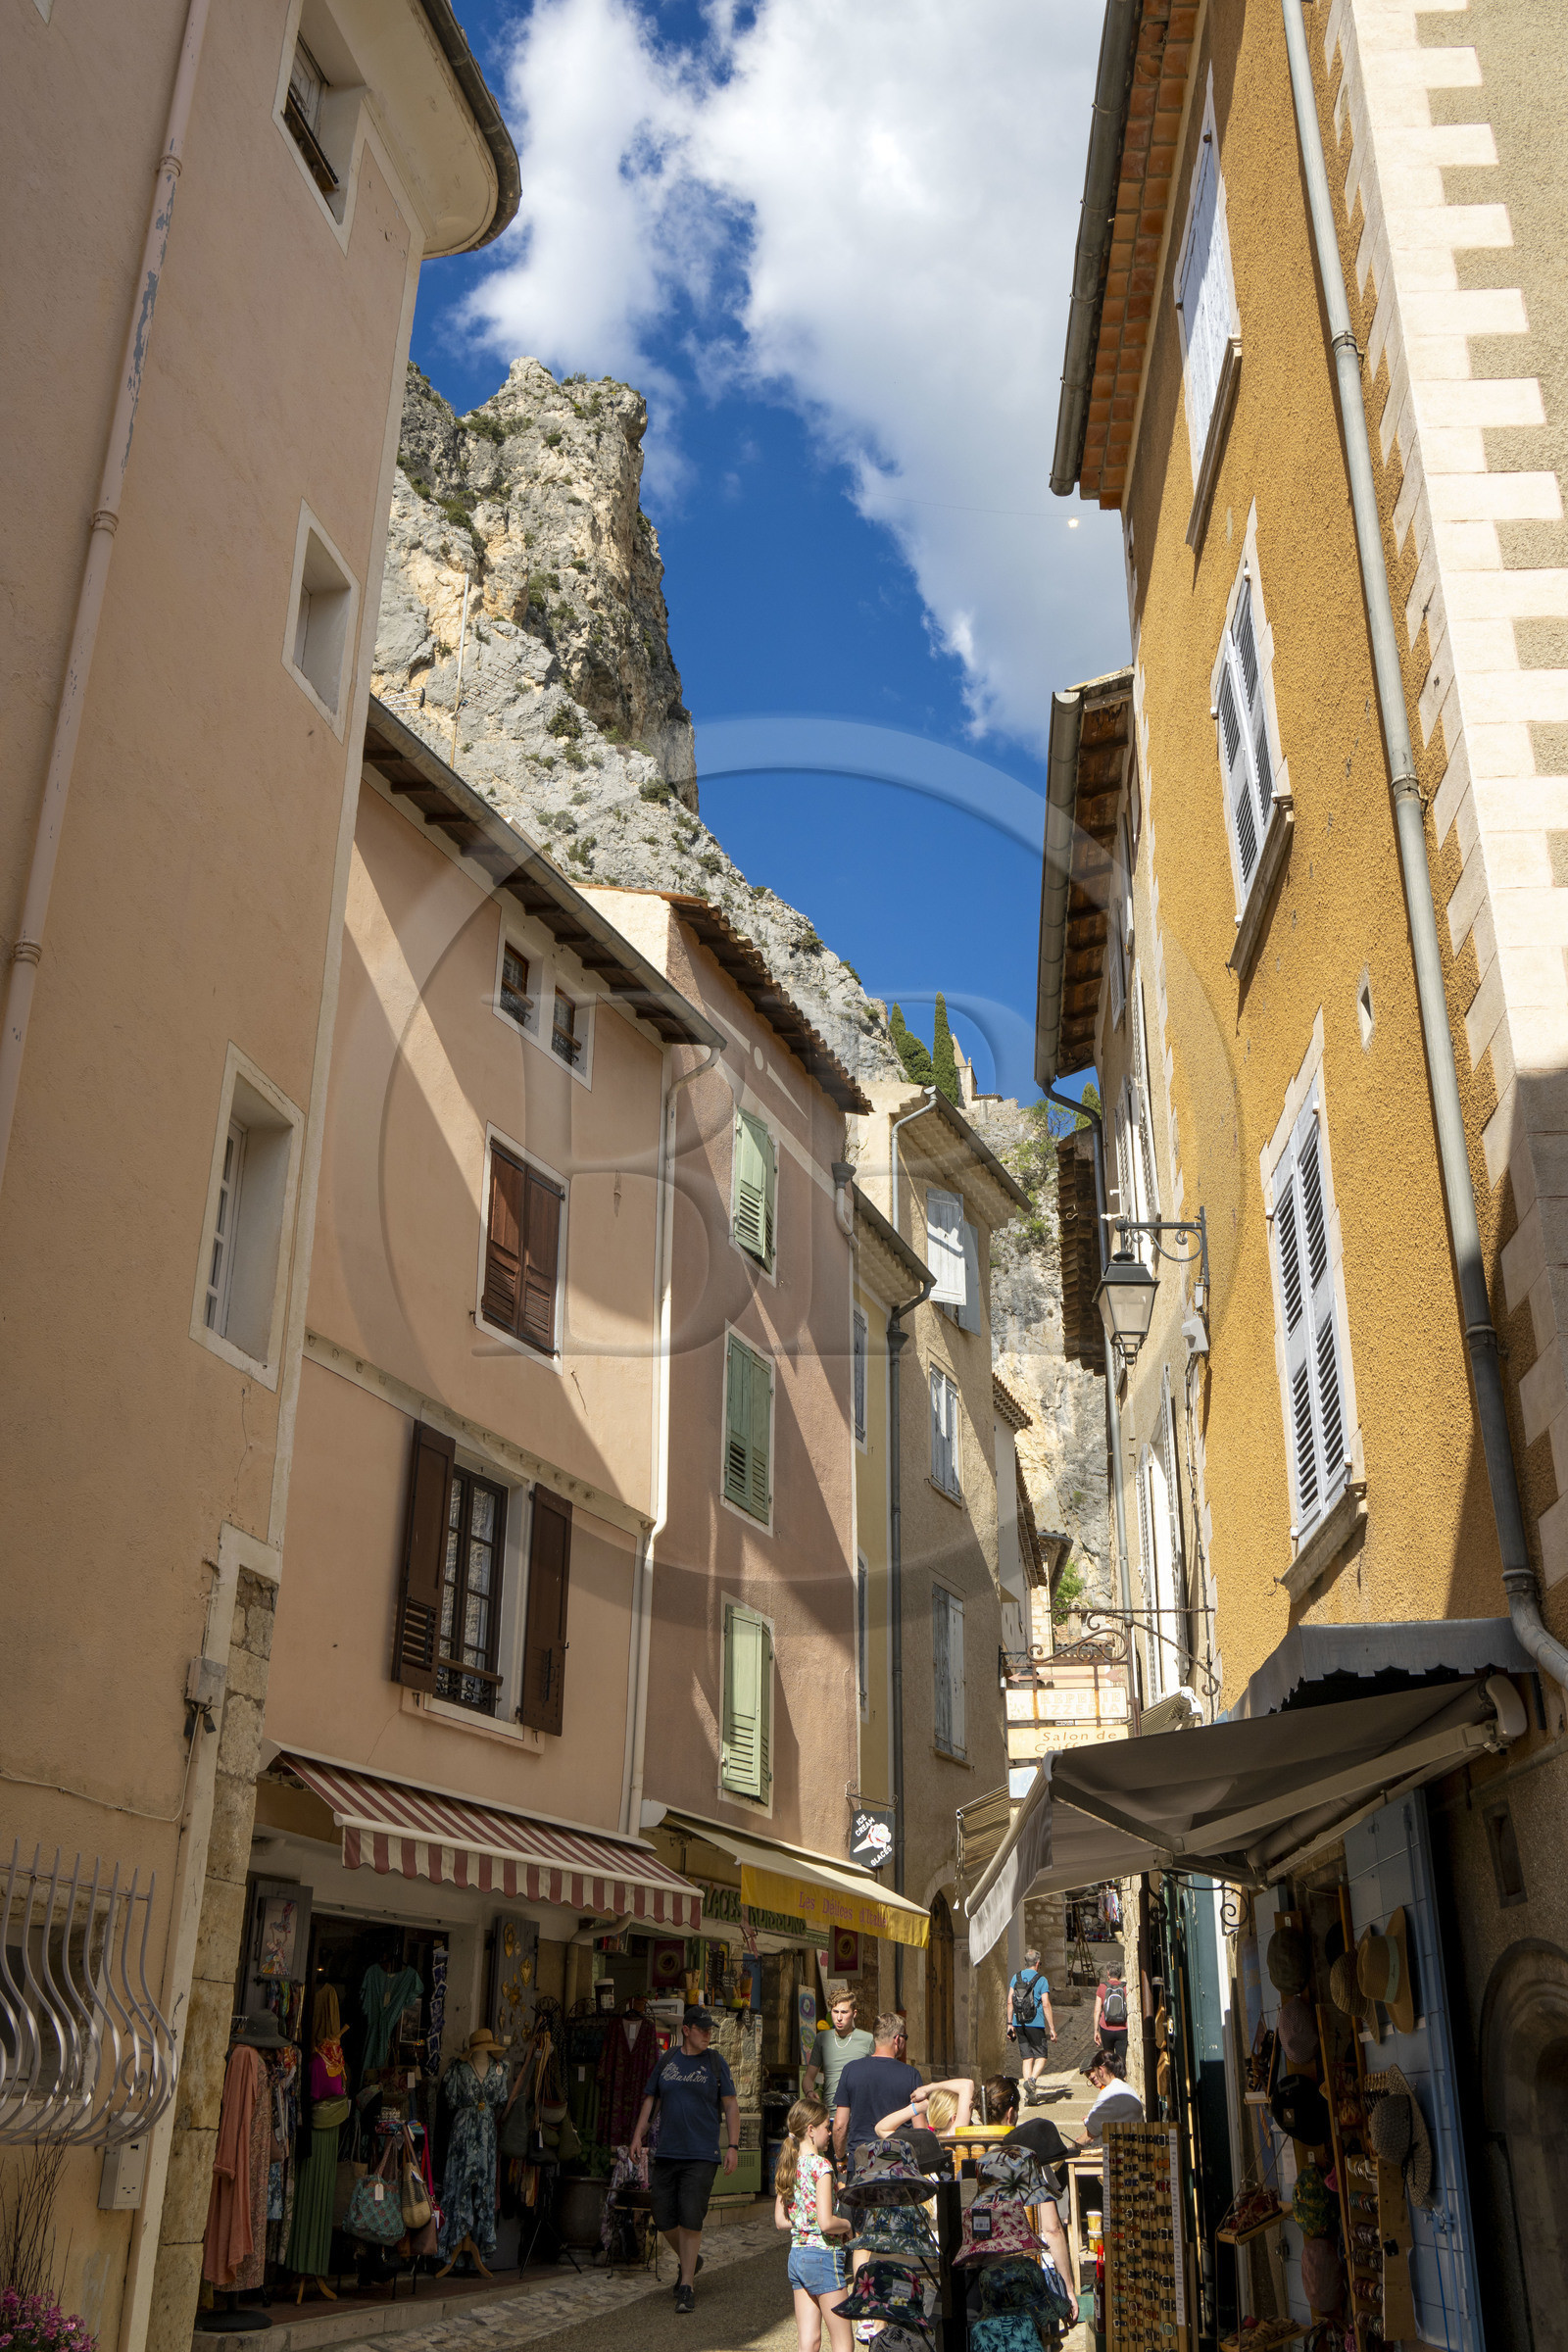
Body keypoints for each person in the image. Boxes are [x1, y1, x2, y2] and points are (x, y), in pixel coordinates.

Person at [628, 2005, 740, 2314]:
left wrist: (732, 2145)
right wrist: (638, 2136)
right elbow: (650, 2099)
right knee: (663, 2214)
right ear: (686, 2030)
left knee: (691, 2216)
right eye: (702, 2029)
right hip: (667, 2151)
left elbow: (730, 2106)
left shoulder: (716, 2063)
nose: (707, 2035)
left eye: (710, 2030)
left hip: (703, 2154)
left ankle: (687, 2285)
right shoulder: (666, 2061)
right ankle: (693, 2260)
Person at [773, 2097, 853, 2352]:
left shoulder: (789, 2165)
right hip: (823, 2256)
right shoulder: (822, 2166)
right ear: (810, 2130)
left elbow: (781, 2221)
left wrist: (803, 2221)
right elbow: (827, 2222)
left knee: (808, 2340)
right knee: (843, 2342)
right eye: (825, 2126)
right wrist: (848, 2224)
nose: (829, 2132)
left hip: (797, 2255)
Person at [982, 2073, 1075, 2285]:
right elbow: (1052, 2229)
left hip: (990, 2270)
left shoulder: (972, 2156)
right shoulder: (1028, 2158)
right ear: (1012, 2114)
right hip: (1033, 2268)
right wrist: (1069, 2287)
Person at [833, 2011, 920, 2175]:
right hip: (898, 2164)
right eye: (905, 2038)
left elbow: (839, 2125)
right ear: (897, 2039)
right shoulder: (911, 2075)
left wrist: (840, 2157)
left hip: (861, 2161)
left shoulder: (850, 2070)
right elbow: (920, 2129)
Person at [873, 2077, 974, 2174]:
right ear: (954, 2118)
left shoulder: (921, 2142)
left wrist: (917, 2108)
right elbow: (967, 2085)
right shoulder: (954, 2134)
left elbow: (881, 2129)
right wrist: (928, 2088)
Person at [804, 1986, 874, 2111]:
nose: (839, 2018)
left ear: (854, 2013)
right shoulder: (822, 2038)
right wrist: (809, 2092)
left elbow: (877, 2076)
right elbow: (809, 2076)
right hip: (829, 2113)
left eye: (844, 2012)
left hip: (859, 2114)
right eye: (835, 2012)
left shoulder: (868, 2039)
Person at [1065, 2052, 1144, 2157]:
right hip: (1135, 2148)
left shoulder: (1108, 2093)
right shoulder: (1128, 2088)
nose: (1092, 2077)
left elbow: (1092, 2132)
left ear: (1101, 2070)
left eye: (1094, 2071)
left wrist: (1075, 2146)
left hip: (1121, 2155)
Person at [1007, 1944, 1056, 2100]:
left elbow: (1010, 2001)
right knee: (1041, 2056)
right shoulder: (1041, 1980)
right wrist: (1052, 2028)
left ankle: (1030, 2095)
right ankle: (1032, 2081)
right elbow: (1046, 2003)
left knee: (1027, 2057)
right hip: (1036, 2022)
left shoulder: (1016, 1977)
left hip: (1019, 2022)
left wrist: (1010, 2024)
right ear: (1037, 1963)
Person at [1094, 1962, 1130, 2077]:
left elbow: (1097, 2010)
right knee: (1121, 2060)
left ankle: (1110, 2082)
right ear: (1120, 1973)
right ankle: (1120, 2081)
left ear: (1108, 1973)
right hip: (1122, 2028)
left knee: (1108, 2058)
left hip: (1106, 2028)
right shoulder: (1125, 1987)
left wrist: (1096, 2030)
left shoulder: (1102, 1987)